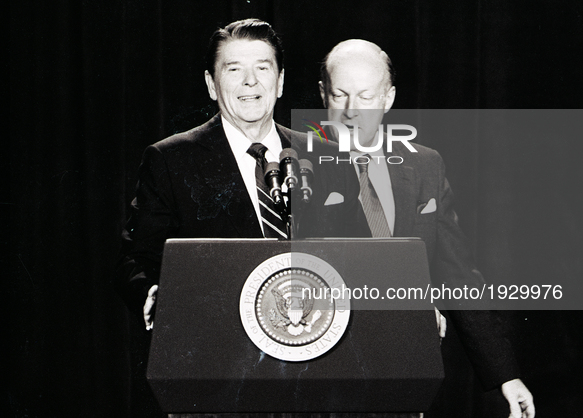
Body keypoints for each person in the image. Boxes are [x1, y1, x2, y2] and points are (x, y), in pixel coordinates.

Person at [318, 39, 535, 418]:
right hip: (328, 376)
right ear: (323, 95)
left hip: (404, 375)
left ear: (388, 98)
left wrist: (505, 375)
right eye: (340, 95)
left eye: (366, 97)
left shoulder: (425, 167)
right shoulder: (298, 165)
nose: (351, 112)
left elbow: (457, 273)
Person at [116, 19, 361, 330]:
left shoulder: (328, 156)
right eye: (234, 70)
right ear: (211, 84)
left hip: (317, 338)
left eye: (262, 68)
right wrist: (151, 293)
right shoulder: (170, 159)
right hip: (219, 344)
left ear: (280, 81)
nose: (250, 81)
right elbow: (135, 260)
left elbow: (363, 256)